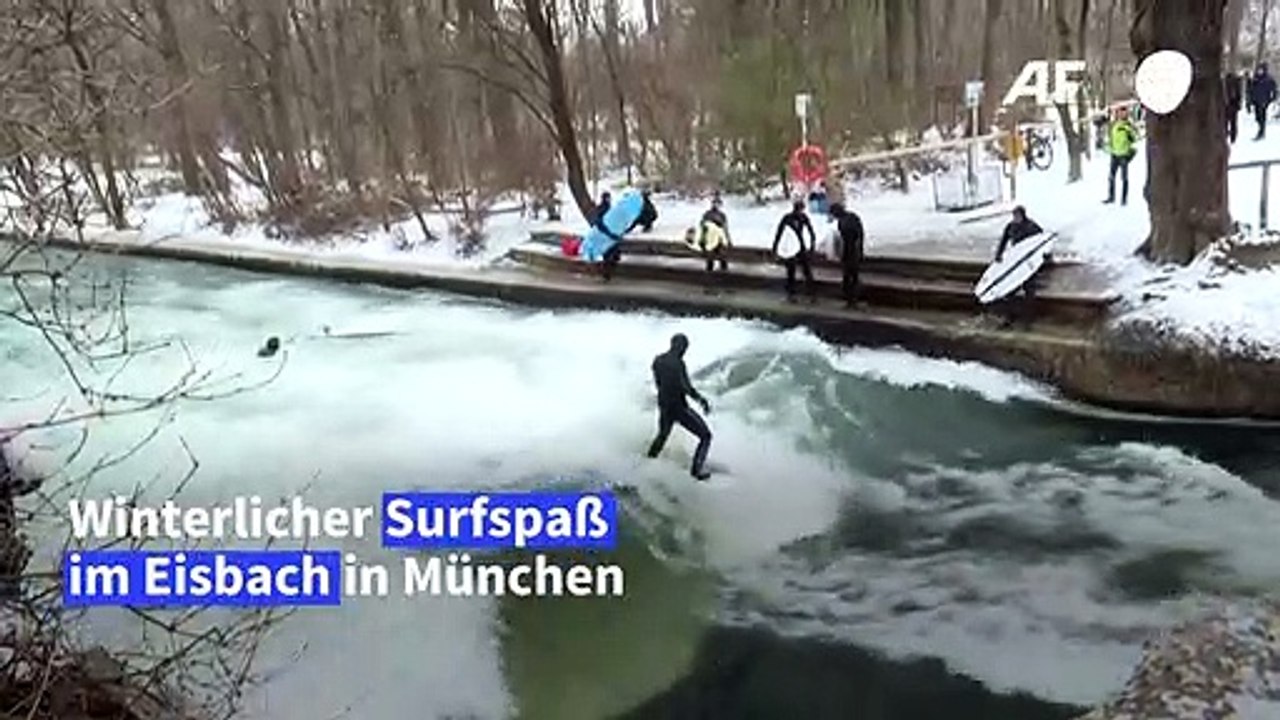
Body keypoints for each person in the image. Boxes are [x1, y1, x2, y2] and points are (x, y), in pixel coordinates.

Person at [646, 334, 713, 480]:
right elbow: (686, 387)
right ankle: (696, 471)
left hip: (664, 404)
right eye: (685, 348)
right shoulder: (678, 363)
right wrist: (702, 400)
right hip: (678, 407)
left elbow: (659, 383)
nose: (685, 351)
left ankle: (646, 463)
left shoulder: (658, 360)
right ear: (680, 346)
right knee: (706, 436)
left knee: (662, 435)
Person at [993, 205, 1044, 327]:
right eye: (1014, 216)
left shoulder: (1031, 226)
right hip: (1015, 263)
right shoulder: (1010, 227)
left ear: (1023, 215)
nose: (1016, 218)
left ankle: (1028, 319)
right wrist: (999, 255)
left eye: (1018, 216)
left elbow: (1042, 241)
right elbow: (1003, 241)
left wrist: (1043, 257)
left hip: (1028, 264)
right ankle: (1009, 316)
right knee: (1009, 290)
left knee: (1029, 292)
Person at [771, 199, 818, 303]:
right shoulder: (788, 218)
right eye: (800, 209)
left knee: (805, 271)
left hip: (800, 247)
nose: (800, 211)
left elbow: (811, 232)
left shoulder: (801, 217)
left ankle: (811, 294)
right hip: (792, 247)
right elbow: (779, 233)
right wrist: (775, 248)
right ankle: (792, 294)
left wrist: (812, 245)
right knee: (792, 272)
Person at [828, 202, 864, 307]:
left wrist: (859, 248)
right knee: (848, 277)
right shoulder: (843, 220)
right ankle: (850, 300)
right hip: (848, 251)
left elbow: (860, 234)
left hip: (853, 250)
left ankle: (853, 300)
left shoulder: (850, 218)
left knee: (852, 276)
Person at [1104, 107, 1139, 206]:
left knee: (1124, 178)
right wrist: (1109, 147)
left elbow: (1135, 138)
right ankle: (1111, 197)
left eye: (1124, 113)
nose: (1121, 114)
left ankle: (1124, 200)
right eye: (1120, 112)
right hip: (1114, 154)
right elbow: (1111, 138)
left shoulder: (1128, 125)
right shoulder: (1114, 124)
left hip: (1124, 154)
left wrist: (1129, 132)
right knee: (1111, 177)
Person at [699, 195, 731, 274]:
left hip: (716, 240)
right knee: (715, 256)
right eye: (715, 203)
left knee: (720, 255)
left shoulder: (720, 215)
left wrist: (728, 239)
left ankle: (720, 270)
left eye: (718, 203)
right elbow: (703, 227)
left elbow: (725, 229)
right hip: (712, 240)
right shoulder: (709, 214)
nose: (716, 205)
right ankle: (715, 271)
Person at [1248, 63, 1277, 140]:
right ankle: (1261, 130)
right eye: (1258, 70)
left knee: (1262, 116)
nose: (1259, 71)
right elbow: (1251, 90)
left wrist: (1272, 99)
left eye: (1261, 70)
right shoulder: (1255, 79)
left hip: (1264, 100)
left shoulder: (1269, 79)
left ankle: (1261, 132)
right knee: (1257, 117)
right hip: (1256, 100)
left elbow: (1274, 90)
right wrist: (1250, 100)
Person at [1225, 71, 1244, 144]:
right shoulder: (1222, 81)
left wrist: (1238, 103)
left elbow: (1238, 93)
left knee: (1232, 121)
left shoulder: (1236, 80)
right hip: (1226, 104)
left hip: (1232, 104)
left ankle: (1233, 136)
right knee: (1226, 122)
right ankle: (1227, 135)